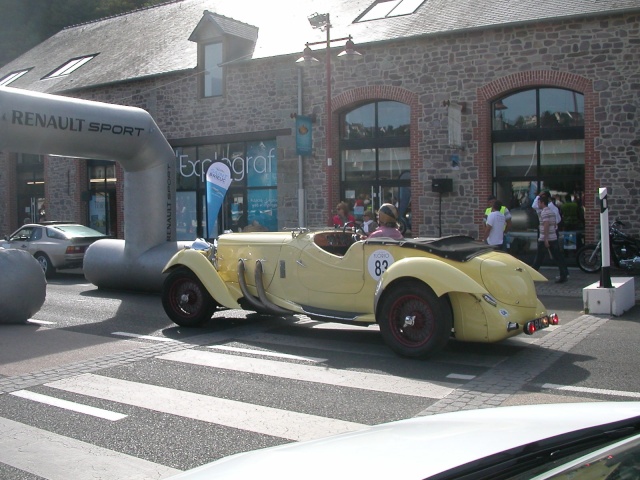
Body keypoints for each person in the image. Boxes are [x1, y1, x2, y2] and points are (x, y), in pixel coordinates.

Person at [532, 195, 569, 283]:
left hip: (545, 238)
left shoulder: (544, 213)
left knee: (539, 258)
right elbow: (554, 223)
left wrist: (545, 239)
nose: (538, 204)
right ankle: (564, 274)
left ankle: (532, 274)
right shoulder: (551, 211)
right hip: (553, 237)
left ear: (542, 203)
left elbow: (546, 225)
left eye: (539, 202)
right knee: (558, 257)